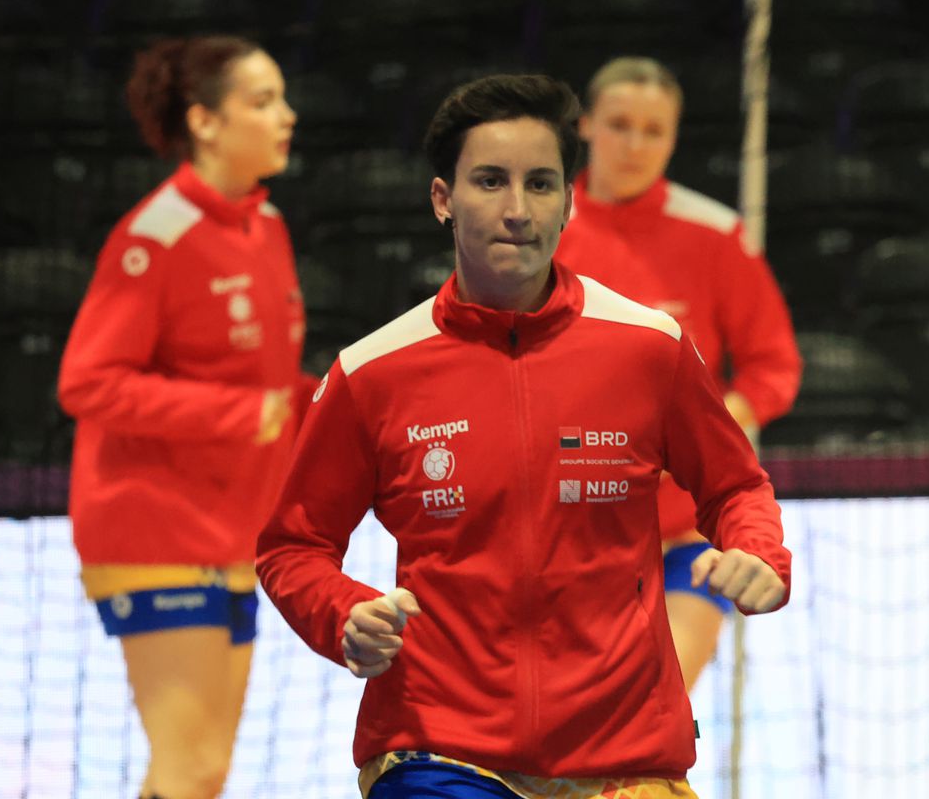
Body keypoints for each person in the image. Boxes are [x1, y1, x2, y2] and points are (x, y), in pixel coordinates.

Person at [256, 73, 791, 799]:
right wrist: (342, 611)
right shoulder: (371, 372)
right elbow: (294, 546)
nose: (517, 209)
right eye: (489, 181)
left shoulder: (650, 347)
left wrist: (758, 552)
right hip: (438, 750)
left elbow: (736, 486)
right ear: (443, 199)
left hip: (624, 757)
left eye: (540, 184)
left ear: (569, 201)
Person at [57, 36, 307, 799]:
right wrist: (242, 413)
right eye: (262, 101)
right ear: (204, 122)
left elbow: (269, 389)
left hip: (234, 529)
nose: (287, 116)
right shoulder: (155, 236)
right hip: (153, 528)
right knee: (190, 769)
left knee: (200, 774)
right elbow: (88, 383)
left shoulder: (266, 226)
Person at [556, 57, 803, 690]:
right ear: (585, 125)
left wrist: (706, 433)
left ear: (674, 138)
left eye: (654, 130)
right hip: (567, 530)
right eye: (619, 125)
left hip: (685, 529)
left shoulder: (715, 234)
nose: (635, 145)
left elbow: (774, 366)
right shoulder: (539, 231)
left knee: (653, 697)